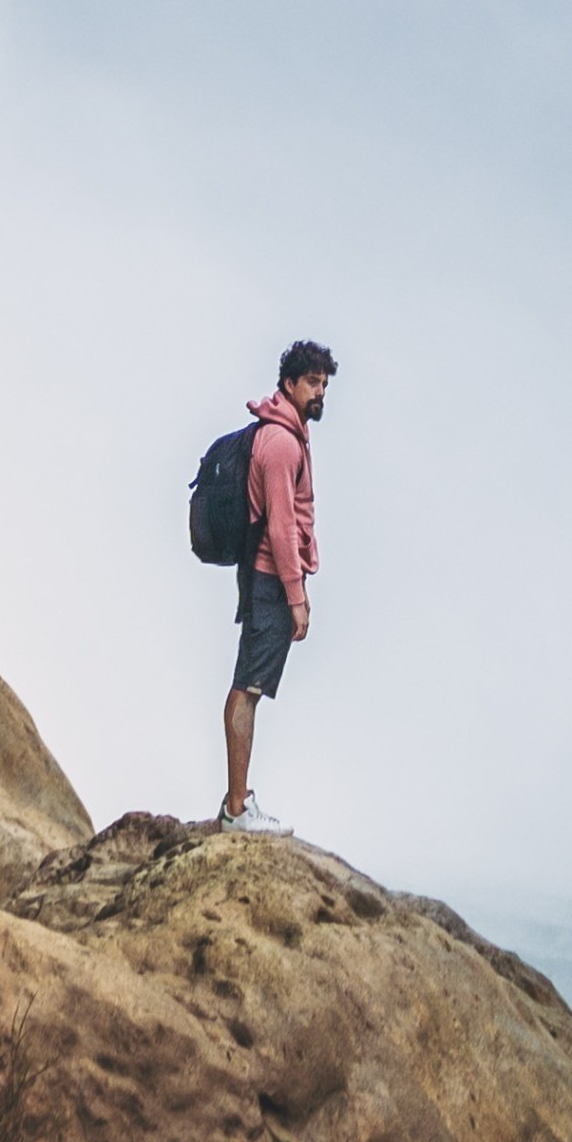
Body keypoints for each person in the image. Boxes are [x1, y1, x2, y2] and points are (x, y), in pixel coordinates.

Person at [218, 339, 337, 822]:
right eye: (312, 382)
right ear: (289, 384)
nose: (320, 392)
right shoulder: (282, 443)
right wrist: (296, 596)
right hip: (271, 578)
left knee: (247, 686)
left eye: (324, 384)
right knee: (247, 688)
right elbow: (281, 526)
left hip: (264, 575)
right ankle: (237, 807)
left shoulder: (286, 433)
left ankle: (236, 802)